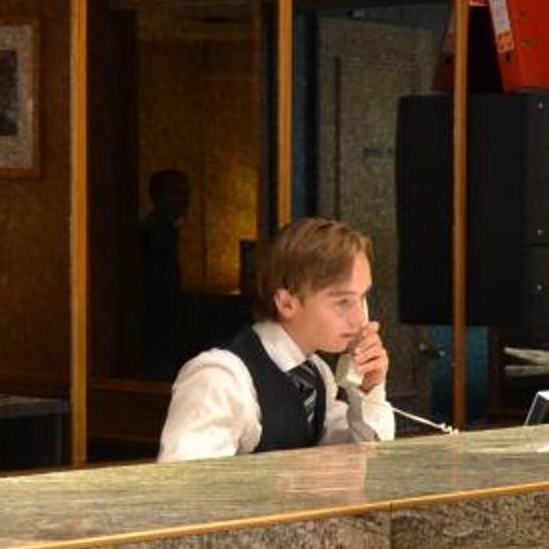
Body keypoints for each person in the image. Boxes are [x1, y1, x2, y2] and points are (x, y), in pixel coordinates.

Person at [158, 216, 394, 458]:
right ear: (286, 303)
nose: (360, 319)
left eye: (362, 298)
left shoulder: (317, 373)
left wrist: (368, 390)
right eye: (343, 301)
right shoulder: (220, 378)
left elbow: (363, 457)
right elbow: (185, 479)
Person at [136, 166, 192, 375]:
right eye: (177, 192)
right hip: (156, 315)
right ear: (157, 196)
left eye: (186, 192)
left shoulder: (167, 230)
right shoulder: (155, 232)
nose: (185, 199)